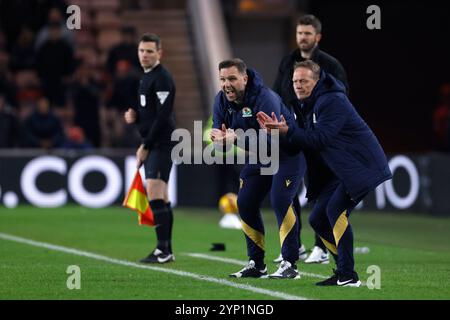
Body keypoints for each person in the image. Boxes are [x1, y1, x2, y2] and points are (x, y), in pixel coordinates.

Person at [257, 60, 392, 286]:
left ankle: (347, 275)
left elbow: (320, 139)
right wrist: (279, 133)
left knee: (335, 210)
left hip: (360, 167)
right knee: (318, 219)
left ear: (317, 81)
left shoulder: (332, 100)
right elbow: (302, 143)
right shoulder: (304, 104)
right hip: (339, 171)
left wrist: (288, 130)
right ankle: (344, 272)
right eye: (295, 81)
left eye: (304, 81)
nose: (298, 85)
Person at [211, 58, 306, 279]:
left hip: (287, 154)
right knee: (244, 201)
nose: (227, 84)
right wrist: (219, 139)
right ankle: (257, 264)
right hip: (262, 157)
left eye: (232, 78)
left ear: (245, 78)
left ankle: (290, 264)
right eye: (223, 79)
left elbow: (271, 141)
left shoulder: (266, 99)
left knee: (281, 199)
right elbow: (219, 132)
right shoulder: (221, 100)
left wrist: (236, 139)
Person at [273, 14, 349, 264]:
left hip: (317, 136)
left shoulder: (330, 65)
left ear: (317, 37)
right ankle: (295, 245)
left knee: (318, 187)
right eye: (299, 33)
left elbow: (340, 99)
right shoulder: (287, 62)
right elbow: (277, 95)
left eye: (307, 33)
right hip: (291, 135)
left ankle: (322, 247)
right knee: (289, 189)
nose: (302, 38)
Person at [124, 33, 176, 264]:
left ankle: (162, 250)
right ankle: (166, 250)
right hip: (155, 142)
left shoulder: (162, 78)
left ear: (159, 53)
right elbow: (150, 112)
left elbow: (163, 116)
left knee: (155, 192)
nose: (144, 55)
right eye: (141, 51)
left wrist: (145, 145)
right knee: (161, 196)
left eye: (149, 51)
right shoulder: (145, 78)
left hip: (161, 143)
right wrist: (135, 117)